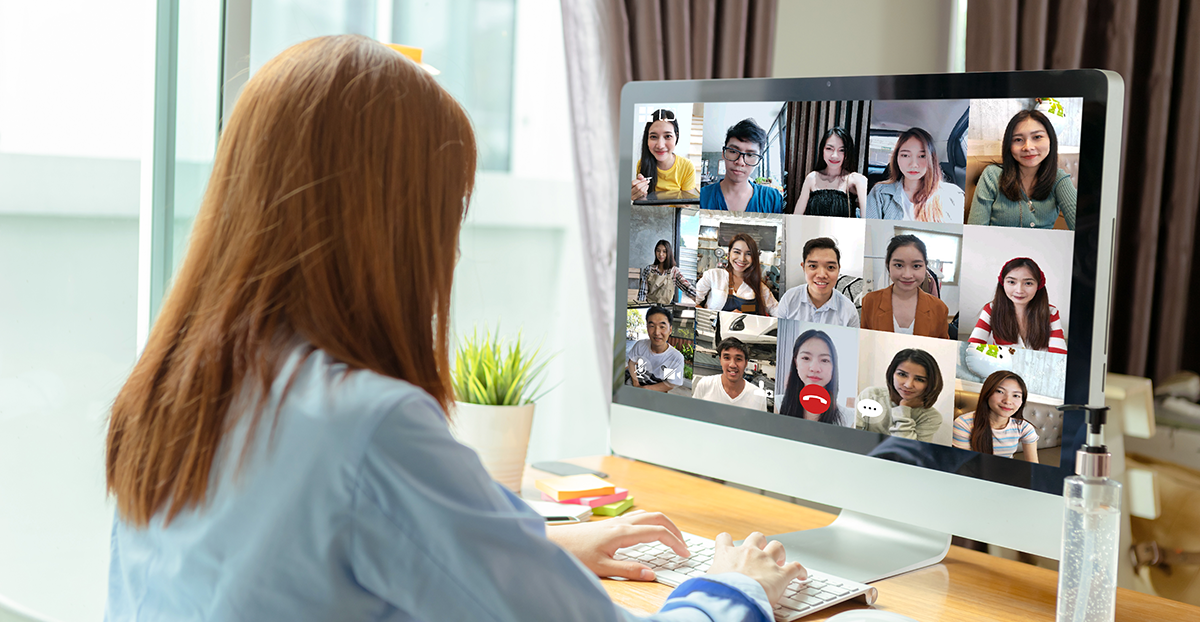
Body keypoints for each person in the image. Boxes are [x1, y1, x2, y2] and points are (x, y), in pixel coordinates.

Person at [104, 36, 805, 622]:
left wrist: (541, 551)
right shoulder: (367, 425)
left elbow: (339, 551)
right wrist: (738, 587)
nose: (453, 247)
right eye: (448, 213)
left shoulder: (183, 388)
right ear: (390, 229)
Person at [967, 109, 1077, 230]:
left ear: (1050, 140)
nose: (1028, 147)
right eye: (1018, 139)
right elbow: (975, 231)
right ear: (1009, 145)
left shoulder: (1058, 178)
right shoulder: (992, 175)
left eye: (1037, 137)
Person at [862, 127, 964, 223]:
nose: (914, 164)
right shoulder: (880, 193)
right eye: (905, 155)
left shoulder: (953, 196)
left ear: (931, 159)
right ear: (896, 158)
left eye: (922, 156)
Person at [968, 257, 1067, 354]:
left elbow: (1059, 355)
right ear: (1003, 283)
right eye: (1011, 282)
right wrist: (1000, 355)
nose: (1019, 290)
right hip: (1003, 368)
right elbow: (973, 347)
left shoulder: (1051, 312)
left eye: (1028, 283)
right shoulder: (991, 309)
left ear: (1038, 286)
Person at [860, 235, 950, 338]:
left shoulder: (939, 308)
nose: (907, 275)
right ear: (888, 265)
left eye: (916, 266)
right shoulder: (870, 301)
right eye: (899, 265)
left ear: (925, 267)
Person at [855, 349, 945, 442]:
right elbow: (852, 434)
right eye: (902, 374)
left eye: (919, 379)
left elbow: (908, 452)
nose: (908, 385)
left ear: (930, 383)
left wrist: (904, 409)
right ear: (892, 373)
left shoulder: (930, 417)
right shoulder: (872, 395)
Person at [953, 371, 1040, 462]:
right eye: (1000, 391)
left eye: (1016, 395)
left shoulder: (1024, 427)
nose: (1007, 401)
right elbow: (964, 465)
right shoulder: (963, 424)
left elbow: (1033, 466)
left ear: (1022, 401)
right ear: (987, 393)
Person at [699, 119, 784, 213]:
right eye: (733, 151)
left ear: (759, 161)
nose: (740, 162)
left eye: (750, 155)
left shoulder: (772, 199)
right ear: (723, 153)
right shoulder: (702, 196)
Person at [773, 237, 860, 327]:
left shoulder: (849, 310)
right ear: (803, 267)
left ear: (838, 269)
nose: (822, 275)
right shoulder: (789, 299)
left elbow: (850, 341)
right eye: (813, 266)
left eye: (830, 267)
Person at [778, 330, 851, 425]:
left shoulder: (849, 419)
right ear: (796, 362)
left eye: (824, 360)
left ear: (834, 366)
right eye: (806, 358)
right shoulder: (776, 405)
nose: (815, 368)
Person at [696, 233, 779, 316]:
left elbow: (776, 310)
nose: (742, 259)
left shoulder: (759, 287)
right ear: (729, 253)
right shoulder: (713, 275)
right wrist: (720, 318)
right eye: (737, 252)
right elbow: (691, 302)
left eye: (748, 254)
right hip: (713, 328)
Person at [797, 127, 868, 217]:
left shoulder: (854, 180)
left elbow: (866, 220)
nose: (835, 155)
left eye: (842, 150)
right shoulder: (812, 178)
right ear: (822, 150)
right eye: (829, 148)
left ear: (847, 154)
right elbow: (796, 217)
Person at [631, 109, 698, 202]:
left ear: (676, 137)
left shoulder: (687, 166)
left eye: (667, 136)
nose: (660, 145)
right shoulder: (642, 163)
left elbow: (687, 205)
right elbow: (643, 204)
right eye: (653, 137)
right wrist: (640, 197)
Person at [692, 337, 768, 410]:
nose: (732, 365)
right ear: (720, 360)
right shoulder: (705, 385)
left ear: (745, 363)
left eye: (738, 359)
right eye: (727, 358)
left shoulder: (759, 396)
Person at [627, 306, 687, 393]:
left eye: (662, 327)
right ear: (647, 328)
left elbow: (670, 383)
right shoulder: (640, 345)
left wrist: (646, 389)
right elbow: (631, 362)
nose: (656, 332)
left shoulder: (674, 358)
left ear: (670, 330)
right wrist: (636, 384)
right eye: (652, 326)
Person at [636, 239, 697, 304]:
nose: (661, 254)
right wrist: (642, 307)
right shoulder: (649, 269)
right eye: (658, 251)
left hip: (666, 309)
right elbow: (642, 293)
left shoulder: (674, 271)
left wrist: (700, 296)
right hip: (650, 307)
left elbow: (687, 287)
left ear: (669, 253)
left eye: (664, 251)